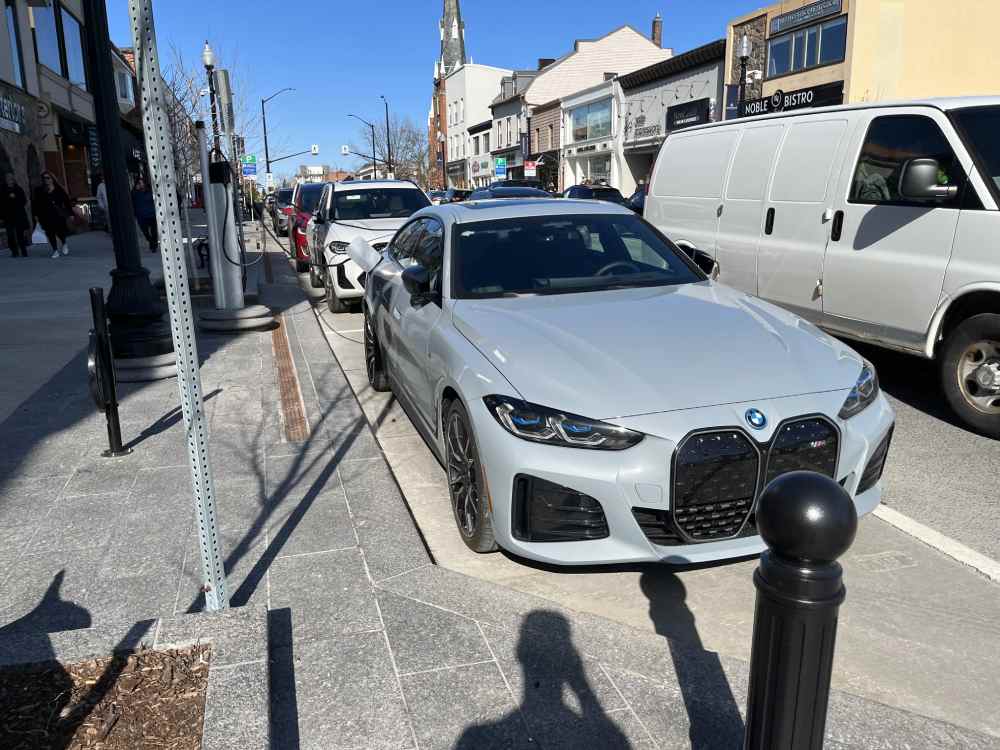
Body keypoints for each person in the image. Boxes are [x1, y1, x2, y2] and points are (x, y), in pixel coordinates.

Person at [32, 171, 73, 259]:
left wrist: (70, 214)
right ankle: (55, 250)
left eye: (48, 178)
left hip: (58, 214)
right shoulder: (39, 190)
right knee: (50, 233)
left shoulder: (59, 189)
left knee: (60, 232)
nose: (46, 180)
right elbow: (35, 203)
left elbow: (66, 202)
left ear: (52, 179)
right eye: (44, 178)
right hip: (45, 215)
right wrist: (35, 214)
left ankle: (64, 243)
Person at [0, 172, 29, 257]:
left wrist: (15, 198)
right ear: (5, 180)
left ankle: (23, 251)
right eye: (7, 178)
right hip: (8, 216)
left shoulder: (18, 189)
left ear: (13, 179)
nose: (9, 180)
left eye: (11, 178)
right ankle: (14, 251)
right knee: (10, 235)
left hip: (18, 215)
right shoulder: (2, 190)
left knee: (20, 234)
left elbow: (24, 201)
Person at [131, 176, 158, 252]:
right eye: (139, 183)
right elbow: (131, 200)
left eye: (142, 183)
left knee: (154, 232)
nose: (140, 185)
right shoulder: (135, 193)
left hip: (151, 214)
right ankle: (151, 241)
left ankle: (154, 246)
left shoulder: (150, 191)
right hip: (141, 216)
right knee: (145, 232)